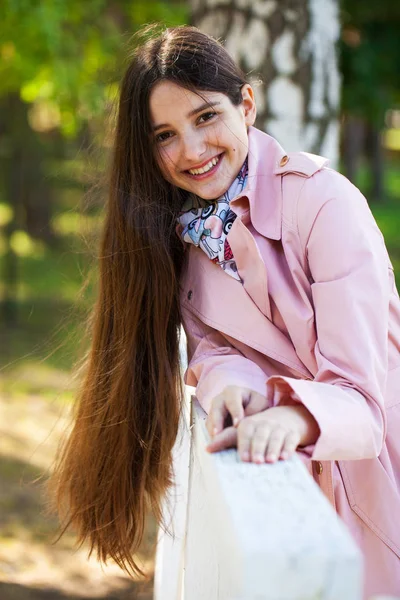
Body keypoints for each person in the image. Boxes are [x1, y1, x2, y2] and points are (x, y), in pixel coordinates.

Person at [49, 24, 400, 598]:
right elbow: (215, 352)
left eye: (206, 116)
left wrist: (291, 416)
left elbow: (362, 403)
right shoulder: (184, 247)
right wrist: (234, 387)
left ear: (247, 105)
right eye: (164, 135)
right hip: (300, 500)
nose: (190, 150)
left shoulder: (324, 203)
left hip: (382, 479)